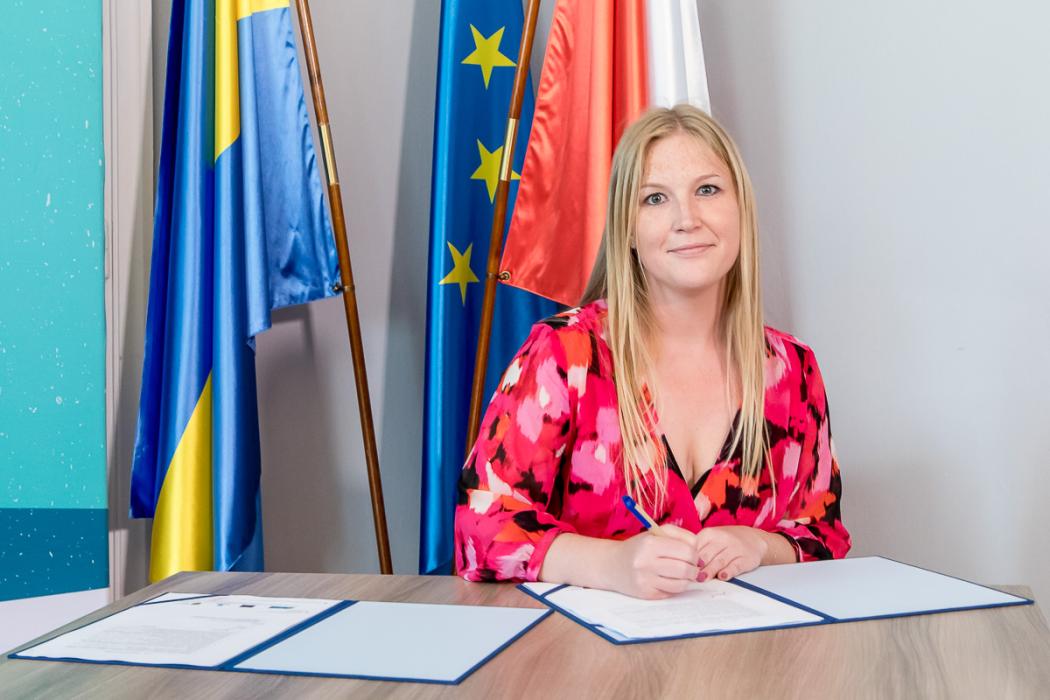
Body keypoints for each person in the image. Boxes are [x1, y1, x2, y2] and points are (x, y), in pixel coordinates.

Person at [454, 104, 850, 599]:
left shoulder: (792, 369)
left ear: (741, 209)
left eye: (708, 190)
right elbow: (480, 527)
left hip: (751, 645)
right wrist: (611, 564)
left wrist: (761, 545)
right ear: (628, 229)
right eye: (655, 198)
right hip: (584, 647)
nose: (687, 219)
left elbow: (825, 533)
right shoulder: (565, 354)